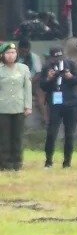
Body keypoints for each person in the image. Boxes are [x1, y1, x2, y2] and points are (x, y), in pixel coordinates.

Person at [39, 45, 77, 168]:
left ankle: (67, 162)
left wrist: (71, 77)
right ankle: (48, 161)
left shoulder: (71, 64)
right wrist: (49, 78)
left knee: (70, 134)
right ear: (51, 58)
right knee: (51, 132)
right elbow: (42, 86)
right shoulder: (47, 67)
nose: (57, 60)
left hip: (70, 102)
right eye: (55, 58)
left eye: (60, 57)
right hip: (55, 103)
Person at [0, 42, 32, 170]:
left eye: (13, 53)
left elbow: (27, 88)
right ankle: (5, 163)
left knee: (17, 136)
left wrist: (28, 106)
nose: (11, 55)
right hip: (3, 107)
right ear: (2, 55)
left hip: (19, 107)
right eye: (8, 53)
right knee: (4, 137)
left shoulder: (23, 68)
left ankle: (17, 163)